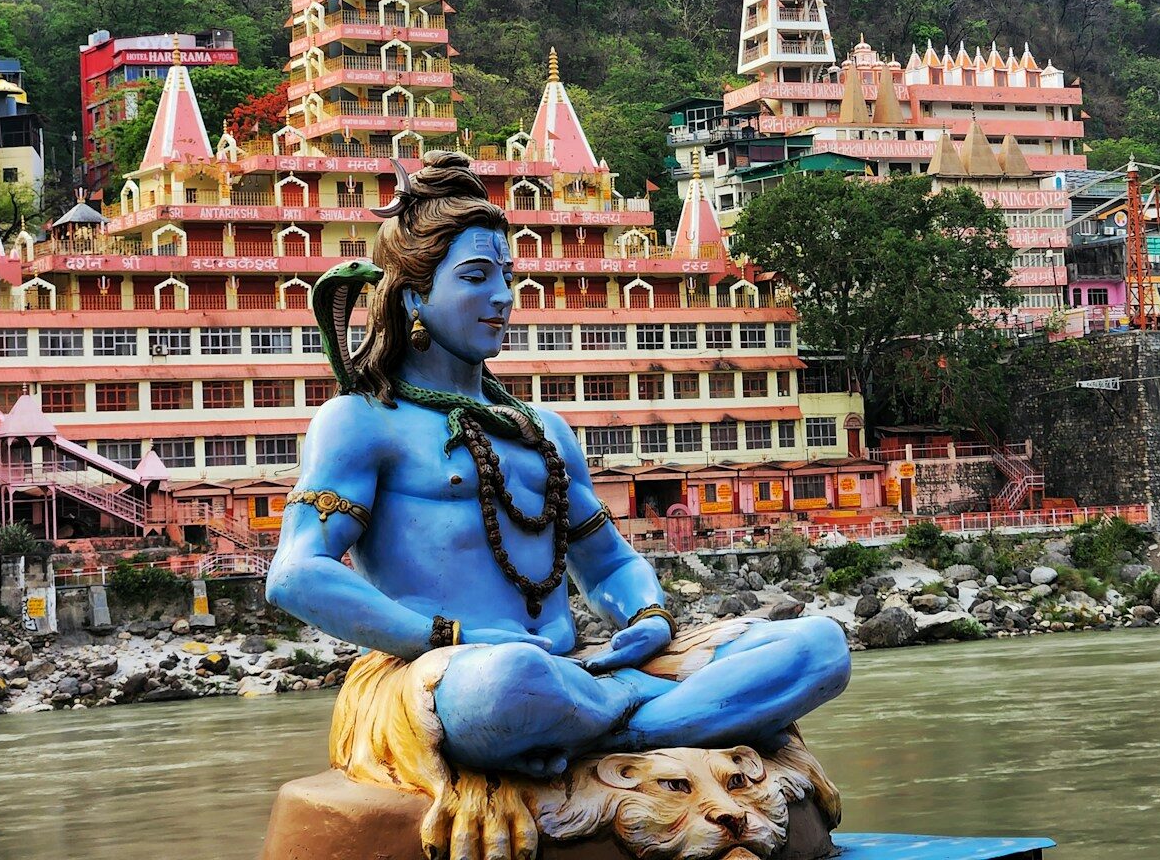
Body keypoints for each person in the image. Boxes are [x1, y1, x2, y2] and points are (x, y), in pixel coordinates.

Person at [266, 152, 849, 781]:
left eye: (508, 276)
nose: (503, 297)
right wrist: (451, 636)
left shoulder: (544, 431)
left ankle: (621, 727)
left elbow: (609, 563)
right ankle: (670, 718)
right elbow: (297, 575)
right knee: (511, 685)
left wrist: (646, 617)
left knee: (819, 647)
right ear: (414, 294)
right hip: (454, 670)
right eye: (476, 276)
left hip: (582, 668)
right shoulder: (361, 419)